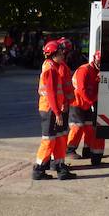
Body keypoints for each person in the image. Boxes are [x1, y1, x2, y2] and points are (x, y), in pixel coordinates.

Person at [32, 40, 75, 180]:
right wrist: (57, 113)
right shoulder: (50, 69)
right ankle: (38, 169)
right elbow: (51, 94)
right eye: (60, 52)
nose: (63, 54)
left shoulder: (54, 66)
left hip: (55, 109)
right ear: (53, 54)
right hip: (50, 110)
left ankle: (60, 167)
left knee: (60, 138)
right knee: (49, 140)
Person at [66, 50, 100, 159]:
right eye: (99, 62)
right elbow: (82, 89)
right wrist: (92, 101)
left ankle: (87, 150)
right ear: (94, 59)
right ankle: (69, 149)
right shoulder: (84, 70)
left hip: (86, 104)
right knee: (77, 127)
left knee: (89, 127)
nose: (100, 64)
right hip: (77, 103)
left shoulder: (96, 72)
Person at [49, 38, 76, 172]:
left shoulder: (62, 66)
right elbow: (59, 90)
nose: (65, 54)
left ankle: (58, 161)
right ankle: (56, 162)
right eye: (64, 52)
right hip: (62, 106)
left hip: (64, 105)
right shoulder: (59, 67)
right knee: (59, 135)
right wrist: (64, 104)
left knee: (62, 134)